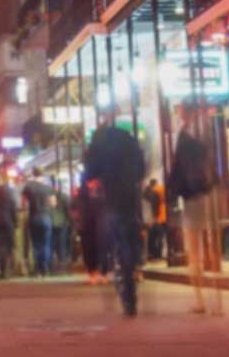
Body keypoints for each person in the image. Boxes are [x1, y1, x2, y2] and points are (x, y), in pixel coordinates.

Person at [83, 118, 145, 318]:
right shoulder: (128, 138)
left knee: (112, 232)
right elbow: (141, 166)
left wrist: (92, 180)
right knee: (131, 229)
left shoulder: (99, 141)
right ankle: (133, 265)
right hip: (130, 194)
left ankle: (115, 264)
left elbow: (90, 168)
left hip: (112, 194)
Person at [167, 103, 212, 314]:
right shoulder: (204, 133)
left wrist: (171, 195)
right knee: (199, 247)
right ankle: (202, 296)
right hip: (205, 194)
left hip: (192, 197)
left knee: (192, 250)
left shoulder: (185, 138)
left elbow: (177, 170)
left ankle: (200, 299)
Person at [75, 177, 109, 284]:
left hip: (103, 223)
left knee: (104, 247)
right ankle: (92, 273)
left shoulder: (105, 188)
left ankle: (104, 273)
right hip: (87, 224)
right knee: (88, 248)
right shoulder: (83, 190)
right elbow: (77, 206)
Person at [22, 167, 54, 277]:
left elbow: (24, 204)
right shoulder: (48, 187)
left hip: (33, 217)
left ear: (33, 174)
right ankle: (44, 269)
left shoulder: (28, 187)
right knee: (45, 244)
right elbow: (53, 203)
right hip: (45, 217)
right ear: (43, 174)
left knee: (35, 245)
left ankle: (37, 270)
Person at [50, 178, 71, 271]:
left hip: (52, 223)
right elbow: (68, 211)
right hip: (63, 223)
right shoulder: (65, 197)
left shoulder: (50, 197)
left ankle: (53, 264)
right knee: (62, 244)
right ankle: (62, 264)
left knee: (53, 244)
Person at [143, 178, 166, 262]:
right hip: (157, 218)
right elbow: (156, 205)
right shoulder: (156, 192)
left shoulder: (145, 193)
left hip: (150, 218)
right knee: (159, 236)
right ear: (155, 184)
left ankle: (152, 254)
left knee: (152, 237)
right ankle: (157, 254)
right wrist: (155, 217)